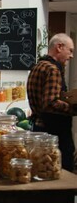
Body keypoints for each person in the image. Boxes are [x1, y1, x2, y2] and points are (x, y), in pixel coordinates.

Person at [27, 33, 75, 172]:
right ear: (59, 47)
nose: (71, 56)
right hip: (54, 134)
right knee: (60, 174)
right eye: (70, 50)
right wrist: (73, 108)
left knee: (40, 171)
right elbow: (50, 103)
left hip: (39, 128)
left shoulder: (38, 66)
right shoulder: (53, 70)